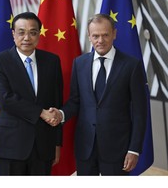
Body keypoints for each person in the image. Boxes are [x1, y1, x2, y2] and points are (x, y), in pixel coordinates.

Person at [48, 13, 148, 175]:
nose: (100, 40)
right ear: (89, 36)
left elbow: (140, 112)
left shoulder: (131, 65)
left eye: (105, 35)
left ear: (114, 34)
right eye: (95, 36)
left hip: (118, 149)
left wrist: (134, 149)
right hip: (85, 147)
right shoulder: (79, 63)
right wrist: (61, 114)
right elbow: (75, 101)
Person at [0, 12, 63, 175]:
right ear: (13, 34)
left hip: (43, 146)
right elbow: (6, 99)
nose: (27, 37)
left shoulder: (52, 61)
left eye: (33, 32)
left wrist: (56, 143)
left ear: (39, 34)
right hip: (12, 146)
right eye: (21, 32)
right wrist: (41, 113)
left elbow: (57, 102)